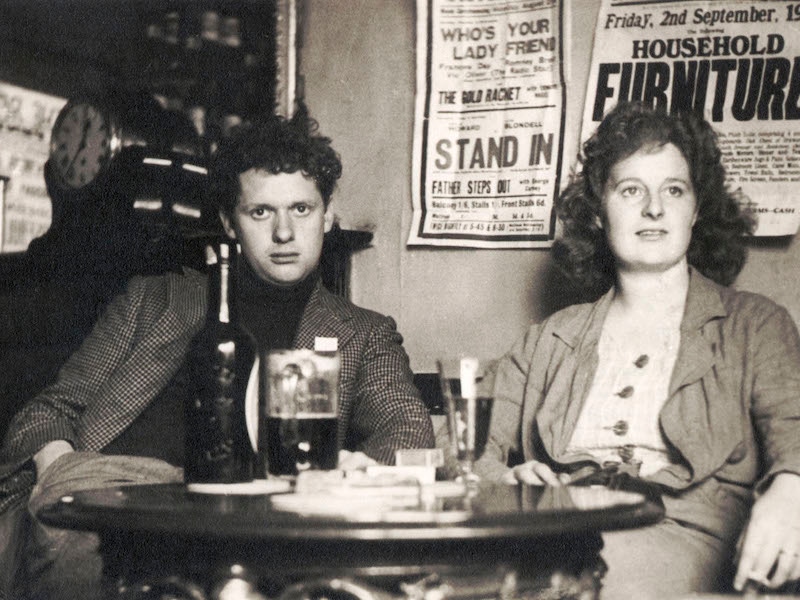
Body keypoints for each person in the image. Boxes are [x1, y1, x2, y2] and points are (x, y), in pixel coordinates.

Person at [0, 104, 435, 599]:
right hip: (112, 498)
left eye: (301, 209)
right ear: (230, 222)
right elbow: (47, 412)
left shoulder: (360, 333)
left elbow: (407, 428)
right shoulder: (154, 300)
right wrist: (62, 472)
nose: (284, 233)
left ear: (327, 216)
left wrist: (351, 475)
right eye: (261, 212)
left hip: (246, 525)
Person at [474, 101, 800, 598]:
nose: (654, 208)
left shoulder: (755, 325)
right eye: (630, 190)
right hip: (557, 534)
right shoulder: (551, 337)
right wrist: (509, 482)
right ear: (600, 214)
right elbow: (470, 443)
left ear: (696, 209)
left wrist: (791, 490)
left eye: (674, 189)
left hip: (683, 541)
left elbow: (794, 432)